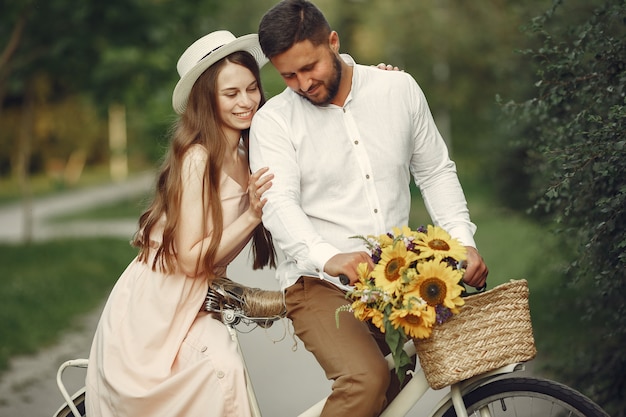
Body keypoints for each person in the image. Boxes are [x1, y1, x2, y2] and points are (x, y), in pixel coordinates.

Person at [249, 1, 489, 416]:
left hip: (394, 281)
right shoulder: (274, 121)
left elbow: (434, 172)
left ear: (333, 42)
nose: (303, 83)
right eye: (288, 75)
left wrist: (462, 243)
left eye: (310, 67)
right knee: (366, 379)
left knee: (394, 393)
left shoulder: (397, 90)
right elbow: (278, 202)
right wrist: (329, 257)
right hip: (317, 283)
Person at [85, 30, 276, 417]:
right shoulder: (197, 158)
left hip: (193, 300)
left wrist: (369, 76)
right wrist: (253, 215)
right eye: (231, 93)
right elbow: (190, 259)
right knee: (220, 372)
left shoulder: (249, 151)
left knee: (224, 373)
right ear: (207, 98)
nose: (246, 102)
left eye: (252, 88)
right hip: (155, 307)